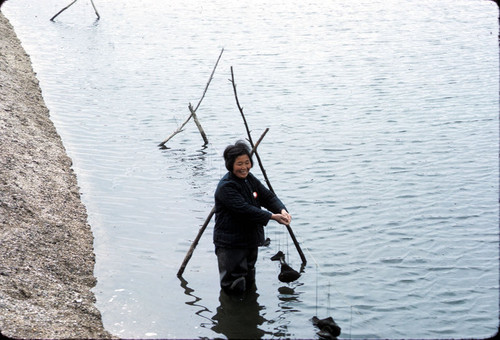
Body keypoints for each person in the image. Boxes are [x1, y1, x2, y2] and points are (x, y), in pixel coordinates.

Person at [214, 141, 292, 295]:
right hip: (231, 244)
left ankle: (251, 312)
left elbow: (267, 196)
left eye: (247, 162)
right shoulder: (226, 187)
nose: (244, 167)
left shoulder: (249, 179)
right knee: (234, 283)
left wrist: (282, 210)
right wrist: (272, 217)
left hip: (250, 239)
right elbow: (245, 210)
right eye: (239, 164)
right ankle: (233, 314)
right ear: (230, 165)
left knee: (249, 278)